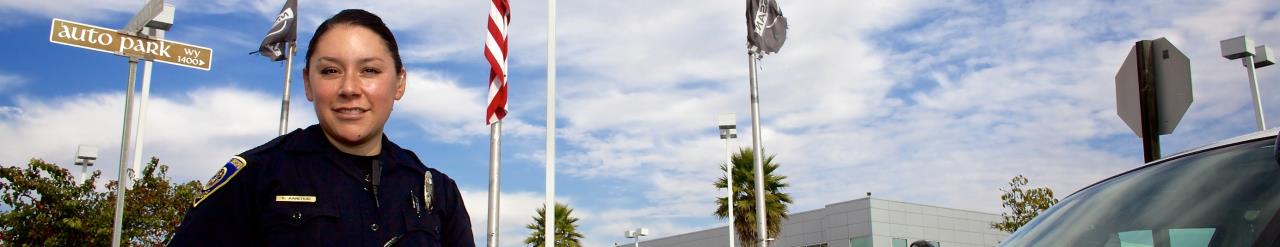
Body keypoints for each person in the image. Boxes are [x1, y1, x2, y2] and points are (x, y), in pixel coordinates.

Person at [168, 9, 474, 246]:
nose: (350, 88)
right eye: (330, 71)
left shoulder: (435, 190)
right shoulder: (257, 178)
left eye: (369, 70)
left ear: (399, 83)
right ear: (308, 83)